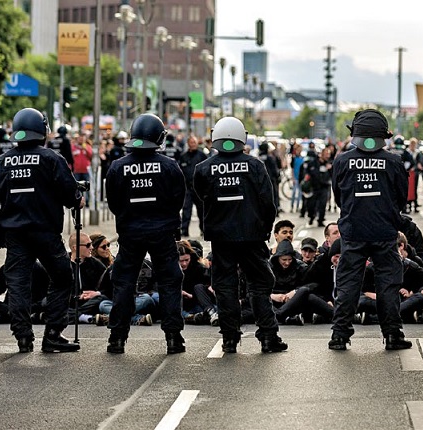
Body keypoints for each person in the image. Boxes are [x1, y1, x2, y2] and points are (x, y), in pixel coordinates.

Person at [0, 108, 84, 353]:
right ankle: (52, 334)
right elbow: (71, 194)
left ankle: (23, 337)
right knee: (62, 278)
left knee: (18, 285)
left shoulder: (0, 162)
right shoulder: (51, 159)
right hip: (45, 233)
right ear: (43, 130)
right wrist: (77, 199)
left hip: (16, 235)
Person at [193, 116, 287, 354]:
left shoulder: (203, 169)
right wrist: (265, 229)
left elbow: (200, 196)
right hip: (253, 237)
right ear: (241, 138)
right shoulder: (255, 166)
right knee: (259, 285)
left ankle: (229, 338)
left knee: (224, 287)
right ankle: (268, 337)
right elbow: (268, 202)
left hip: (221, 238)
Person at [328, 109, 411, 351]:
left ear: (355, 133)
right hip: (384, 232)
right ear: (383, 134)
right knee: (388, 285)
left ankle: (339, 335)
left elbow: (338, 196)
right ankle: (393, 335)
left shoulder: (342, 160)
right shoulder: (394, 161)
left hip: (353, 231)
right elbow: (401, 197)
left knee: (348, 285)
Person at [104, 113, 186, 354]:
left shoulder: (118, 167)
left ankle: (117, 338)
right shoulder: (169, 166)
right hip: (162, 233)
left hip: (130, 234)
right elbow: (177, 200)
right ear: (159, 137)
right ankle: (173, 337)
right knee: (170, 282)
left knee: (124, 283)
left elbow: (113, 203)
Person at [178, 135, 208, 237]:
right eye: (191, 142)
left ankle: (204, 230)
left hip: (199, 188)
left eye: (194, 142)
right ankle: (184, 231)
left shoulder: (202, 156)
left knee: (201, 211)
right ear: (188, 144)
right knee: (186, 211)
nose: (193, 144)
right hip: (188, 189)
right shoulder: (183, 157)